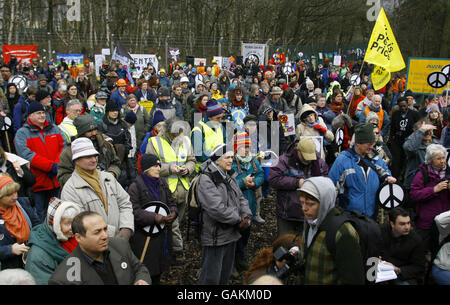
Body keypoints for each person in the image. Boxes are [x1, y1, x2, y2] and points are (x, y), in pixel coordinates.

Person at [196, 144, 253, 285]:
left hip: (232, 232)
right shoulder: (206, 179)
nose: (230, 161)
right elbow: (216, 208)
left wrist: (247, 215)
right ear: (217, 160)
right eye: (227, 157)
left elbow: (241, 198)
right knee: (211, 276)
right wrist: (238, 219)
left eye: (232, 157)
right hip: (216, 235)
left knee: (225, 275)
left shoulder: (229, 175)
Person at [60, 137, 134, 240]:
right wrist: (114, 233)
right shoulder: (71, 189)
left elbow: (125, 203)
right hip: (94, 246)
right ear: (76, 160)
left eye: (95, 156)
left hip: (120, 241)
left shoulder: (108, 178)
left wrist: (126, 228)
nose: (94, 160)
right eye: (88, 157)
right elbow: (80, 222)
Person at [48, 211, 150, 285]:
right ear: (78, 237)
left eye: (105, 229)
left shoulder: (120, 245)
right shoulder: (64, 278)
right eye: (97, 232)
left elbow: (139, 268)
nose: (105, 236)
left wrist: (142, 280)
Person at [145, 118, 196, 265]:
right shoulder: (154, 142)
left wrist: (188, 169)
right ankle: (177, 252)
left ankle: (169, 248)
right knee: (171, 223)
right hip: (165, 189)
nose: (177, 137)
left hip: (183, 188)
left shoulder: (186, 140)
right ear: (167, 131)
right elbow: (148, 168)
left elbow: (192, 160)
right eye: (174, 134)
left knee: (177, 222)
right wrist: (169, 169)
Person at [298, 176, 365, 285]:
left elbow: (353, 279)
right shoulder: (312, 222)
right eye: (302, 202)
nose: (304, 208)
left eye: (310, 204)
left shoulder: (343, 233)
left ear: (325, 202)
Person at [128, 154, 178, 285]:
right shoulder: (135, 187)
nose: (158, 168)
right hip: (144, 237)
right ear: (146, 168)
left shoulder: (163, 183)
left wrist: (173, 212)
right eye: (155, 166)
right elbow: (134, 211)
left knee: (160, 267)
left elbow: (172, 201)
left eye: (159, 166)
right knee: (146, 270)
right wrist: (155, 217)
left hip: (162, 235)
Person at [329, 123, 396, 219]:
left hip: (371, 213)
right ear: (358, 143)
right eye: (368, 144)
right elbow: (333, 187)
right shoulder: (343, 160)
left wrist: (388, 177)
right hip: (350, 215)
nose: (372, 146)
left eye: (372, 143)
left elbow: (385, 171)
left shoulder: (375, 158)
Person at [14, 101, 66, 222]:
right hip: (38, 183)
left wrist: (57, 165)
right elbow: (26, 154)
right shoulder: (22, 133)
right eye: (38, 113)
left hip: (56, 180)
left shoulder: (55, 129)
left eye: (43, 113)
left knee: (58, 214)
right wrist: (49, 166)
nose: (42, 115)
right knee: (40, 215)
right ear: (30, 116)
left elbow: (64, 146)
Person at [269, 138, 328, 237]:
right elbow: (273, 179)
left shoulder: (319, 162)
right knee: (285, 243)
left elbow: (326, 180)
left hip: (310, 213)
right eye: (305, 157)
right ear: (299, 152)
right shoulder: (284, 160)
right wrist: (296, 182)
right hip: (287, 213)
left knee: (305, 244)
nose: (308, 160)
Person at [25, 198, 81, 284]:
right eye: (67, 223)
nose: (72, 228)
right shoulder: (39, 255)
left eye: (74, 222)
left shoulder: (75, 239)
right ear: (55, 224)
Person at [57, 114, 121, 187]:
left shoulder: (105, 146)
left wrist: (112, 173)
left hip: (107, 186)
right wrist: (84, 182)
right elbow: (62, 176)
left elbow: (116, 163)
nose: (94, 133)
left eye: (95, 129)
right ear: (81, 132)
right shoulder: (69, 152)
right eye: (89, 131)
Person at [231, 132, 265, 273]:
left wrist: (255, 183)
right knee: (234, 235)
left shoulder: (253, 160)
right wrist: (243, 182)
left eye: (248, 147)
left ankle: (242, 258)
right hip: (234, 206)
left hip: (249, 203)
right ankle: (232, 263)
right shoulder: (230, 161)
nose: (246, 150)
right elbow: (228, 183)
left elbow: (261, 175)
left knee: (246, 233)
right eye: (243, 147)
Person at [409, 144, 450, 252]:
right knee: (422, 250)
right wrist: (433, 190)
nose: (442, 161)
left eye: (443, 158)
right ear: (430, 160)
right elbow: (414, 194)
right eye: (438, 158)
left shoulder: (448, 173)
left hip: (445, 221)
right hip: (426, 222)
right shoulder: (422, 173)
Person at [0, 174, 40, 270]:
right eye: (9, 195)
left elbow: (37, 226)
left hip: (30, 258)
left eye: (15, 192)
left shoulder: (23, 204)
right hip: (8, 268)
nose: (15, 197)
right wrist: (10, 250)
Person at [378, 207, 425, 285]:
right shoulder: (381, 232)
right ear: (392, 224)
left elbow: (419, 267)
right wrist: (376, 257)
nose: (407, 227)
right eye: (402, 224)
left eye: (408, 223)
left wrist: (398, 270)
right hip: (381, 271)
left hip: (403, 274)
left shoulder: (416, 240)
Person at [388, 97, 420, 181]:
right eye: (401, 106)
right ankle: (395, 177)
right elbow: (392, 128)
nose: (403, 108)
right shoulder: (395, 114)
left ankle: (405, 177)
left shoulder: (414, 114)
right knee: (397, 160)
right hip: (397, 140)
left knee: (407, 160)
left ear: (407, 105)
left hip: (409, 140)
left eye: (404, 106)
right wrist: (391, 139)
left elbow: (418, 126)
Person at [191, 99, 226, 172]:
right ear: (209, 117)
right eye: (217, 118)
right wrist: (218, 158)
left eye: (221, 117)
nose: (220, 121)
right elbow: (199, 156)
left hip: (220, 168)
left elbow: (226, 145)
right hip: (204, 171)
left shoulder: (220, 127)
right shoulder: (198, 130)